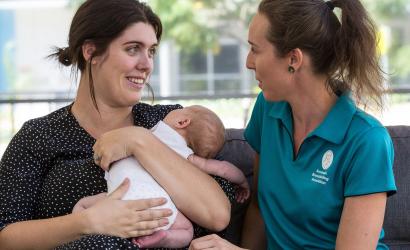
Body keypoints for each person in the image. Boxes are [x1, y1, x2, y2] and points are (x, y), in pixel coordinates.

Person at [0, 0, 234, 249]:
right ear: (90, 52)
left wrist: (138, 140)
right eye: (133, 49)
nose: (146, 64)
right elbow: (5, 236)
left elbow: (217, 214)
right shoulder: (39, 135)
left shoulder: (171, 124)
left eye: (151, 51)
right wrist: (86, 222)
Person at [189, 0, 396, 249]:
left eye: (255, 49)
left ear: (293, 59)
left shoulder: (367, 141)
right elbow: (259, 208)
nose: (248, 62)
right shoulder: (268, 110)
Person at [74, 105, 250, 248]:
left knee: (83, 204)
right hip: (154, 204)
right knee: (186, 231)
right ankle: (163, 237)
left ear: (182, 121)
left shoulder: (144, 132)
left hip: (118, 196)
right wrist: (242, 181)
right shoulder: (187, 156)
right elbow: (223, 169)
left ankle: (80, 224)